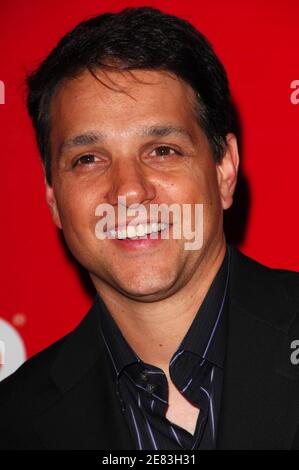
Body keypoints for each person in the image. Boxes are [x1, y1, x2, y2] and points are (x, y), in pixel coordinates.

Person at [0, 6, 298, 450]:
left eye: (162, 150)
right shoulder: (13, 420)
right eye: (88, 159)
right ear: (53, 200)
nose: (129, 191)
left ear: (224, 171)